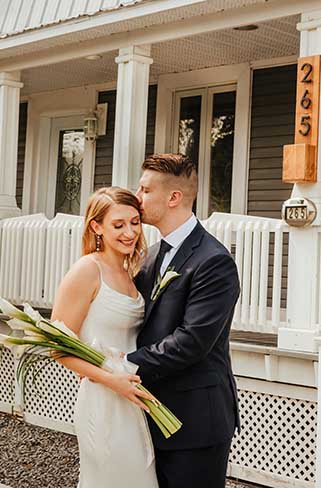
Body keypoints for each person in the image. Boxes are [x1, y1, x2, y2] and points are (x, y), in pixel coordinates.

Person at [127, 153, 241, 488]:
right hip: (148, 413)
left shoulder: (214, 261)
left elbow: (192, 342)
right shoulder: (150, 255)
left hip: (194, 420)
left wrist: (123, 363)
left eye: (146, 190)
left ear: (174, 197)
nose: (137, 197)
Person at [51, 186, 158, 488]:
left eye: (135, 222)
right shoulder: (87, 270)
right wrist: (111, 380)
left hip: (132, 395)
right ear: (96, 226)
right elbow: (57, 347)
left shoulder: (130, 271)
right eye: (118, 225)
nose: (130, 232)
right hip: (103, 397)